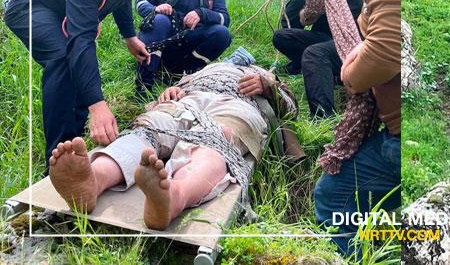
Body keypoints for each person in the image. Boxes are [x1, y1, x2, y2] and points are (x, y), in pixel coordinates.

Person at [46, 56, 302, 230]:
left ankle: (176, 195)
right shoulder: (207, 69)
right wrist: (171, 91)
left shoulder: (266, 76)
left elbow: (290, 110)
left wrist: (268, 86)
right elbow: (174, 89)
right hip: (189, 100)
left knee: (217, 138)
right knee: (151, 127)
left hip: (237, 106)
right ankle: (94, 179)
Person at [3, 0, 166, 170]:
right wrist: (97, 104)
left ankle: (75, 140)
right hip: (29, 6)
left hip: (61, 9)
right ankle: (58, 162)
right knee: (63, 60)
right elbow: (81, 42)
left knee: (77, 70)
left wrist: (130, 36)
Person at [313, 0, 401, 258]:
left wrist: (350, 75)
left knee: (334, 196)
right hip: (395, 131)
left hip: (399, 139)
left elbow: (385, 51)